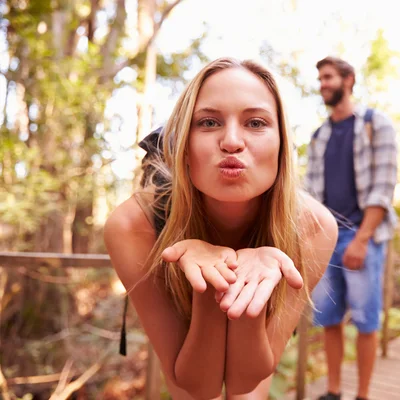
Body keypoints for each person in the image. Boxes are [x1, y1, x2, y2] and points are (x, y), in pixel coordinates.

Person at [103, 57, 338, 400]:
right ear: (183, 146)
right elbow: (193, 385)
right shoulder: (134, 225)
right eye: (209, 122)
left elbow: (247, 383)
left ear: (282, 146)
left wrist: (245, 290)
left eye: (255, 122)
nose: (231, 141)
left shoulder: (313, 227)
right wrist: (209, 285)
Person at [305, 56, 398, 400]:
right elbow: (310, 195)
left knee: (365, 320)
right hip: (325, 239)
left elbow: (383, 188)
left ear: (349, 79)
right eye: (320, 78)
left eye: (328, 77)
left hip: (364, 236)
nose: (322, 84)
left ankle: (363, 394)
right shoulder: (319, 136)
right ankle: (333, 390)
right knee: (329, 318)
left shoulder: (377, 124)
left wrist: (361, 240)